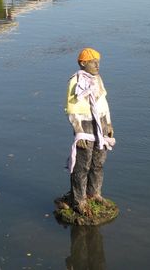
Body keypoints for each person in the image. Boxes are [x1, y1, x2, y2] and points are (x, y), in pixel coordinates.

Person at [65, 48, 115, 214]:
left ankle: (95, 194)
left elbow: (103, 103)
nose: (97, 65)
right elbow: (71, 109)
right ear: (83, 63)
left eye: (98, 62)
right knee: (82, 164)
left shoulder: (98, 79)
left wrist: (108, 123)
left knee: (98, 162)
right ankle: (79, 200)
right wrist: (78, 132)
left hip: (100, 122)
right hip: (85, 123)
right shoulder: (76, 81)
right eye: (93, 62)